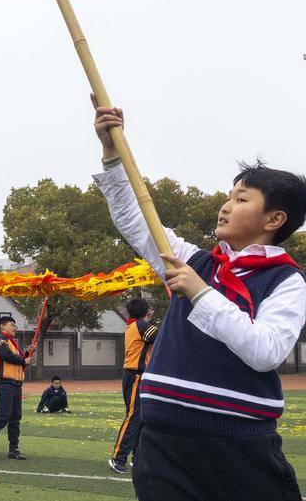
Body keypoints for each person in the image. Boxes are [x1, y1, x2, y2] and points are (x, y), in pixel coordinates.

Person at [92, 99, 306, 500]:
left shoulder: (286, 280)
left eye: (242, 199)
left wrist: (201, 292)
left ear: (274, 220)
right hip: (162, 442)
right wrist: (110, 153)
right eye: (229, 196)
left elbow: (267, 351)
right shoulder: (197, 261)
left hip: (238, 446)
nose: (226, 206)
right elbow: (136, 221)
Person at [109, 296, 158, 473]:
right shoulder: (142, 326)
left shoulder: (133, 326)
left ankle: (137, 458)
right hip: (136, 376)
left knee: (140, 419)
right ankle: (118, 458)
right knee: (134, 418)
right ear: (146, 311)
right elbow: (163, 338)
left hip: (134, 376)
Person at [0, 315, 32, 461]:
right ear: (2, 326)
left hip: (15, 383)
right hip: (4, 383)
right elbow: (5, 355)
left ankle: (13, 449)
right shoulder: (0, 339)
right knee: (3, 415)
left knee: (15, 417)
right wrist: (24, 359)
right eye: (11, 324)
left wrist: (26, 354)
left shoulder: (12, 343)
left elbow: (19, 362)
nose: (15, 327)